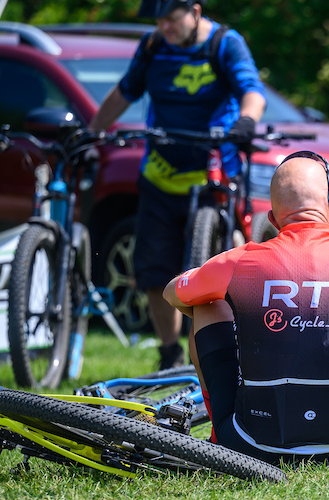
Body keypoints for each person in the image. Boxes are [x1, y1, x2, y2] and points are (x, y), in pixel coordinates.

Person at [162, 151, 329, 465]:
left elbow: (173, 294)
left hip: (251, 445)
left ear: (273, 220)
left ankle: (219, 433)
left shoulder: (240, 262)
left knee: (206, 304)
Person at [89, 0, 267, 369]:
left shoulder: (224, 43)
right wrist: (91, 134)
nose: (164, 27)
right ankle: (169, 354)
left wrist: (247, 121)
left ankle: (214, 353)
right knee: (153, 271)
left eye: (171, 19)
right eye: (159, 20)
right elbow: (125, 91)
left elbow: (253, 90)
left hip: (211, 174)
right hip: (160, 173)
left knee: (216, 268)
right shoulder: (154, 45)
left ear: (195, 11)